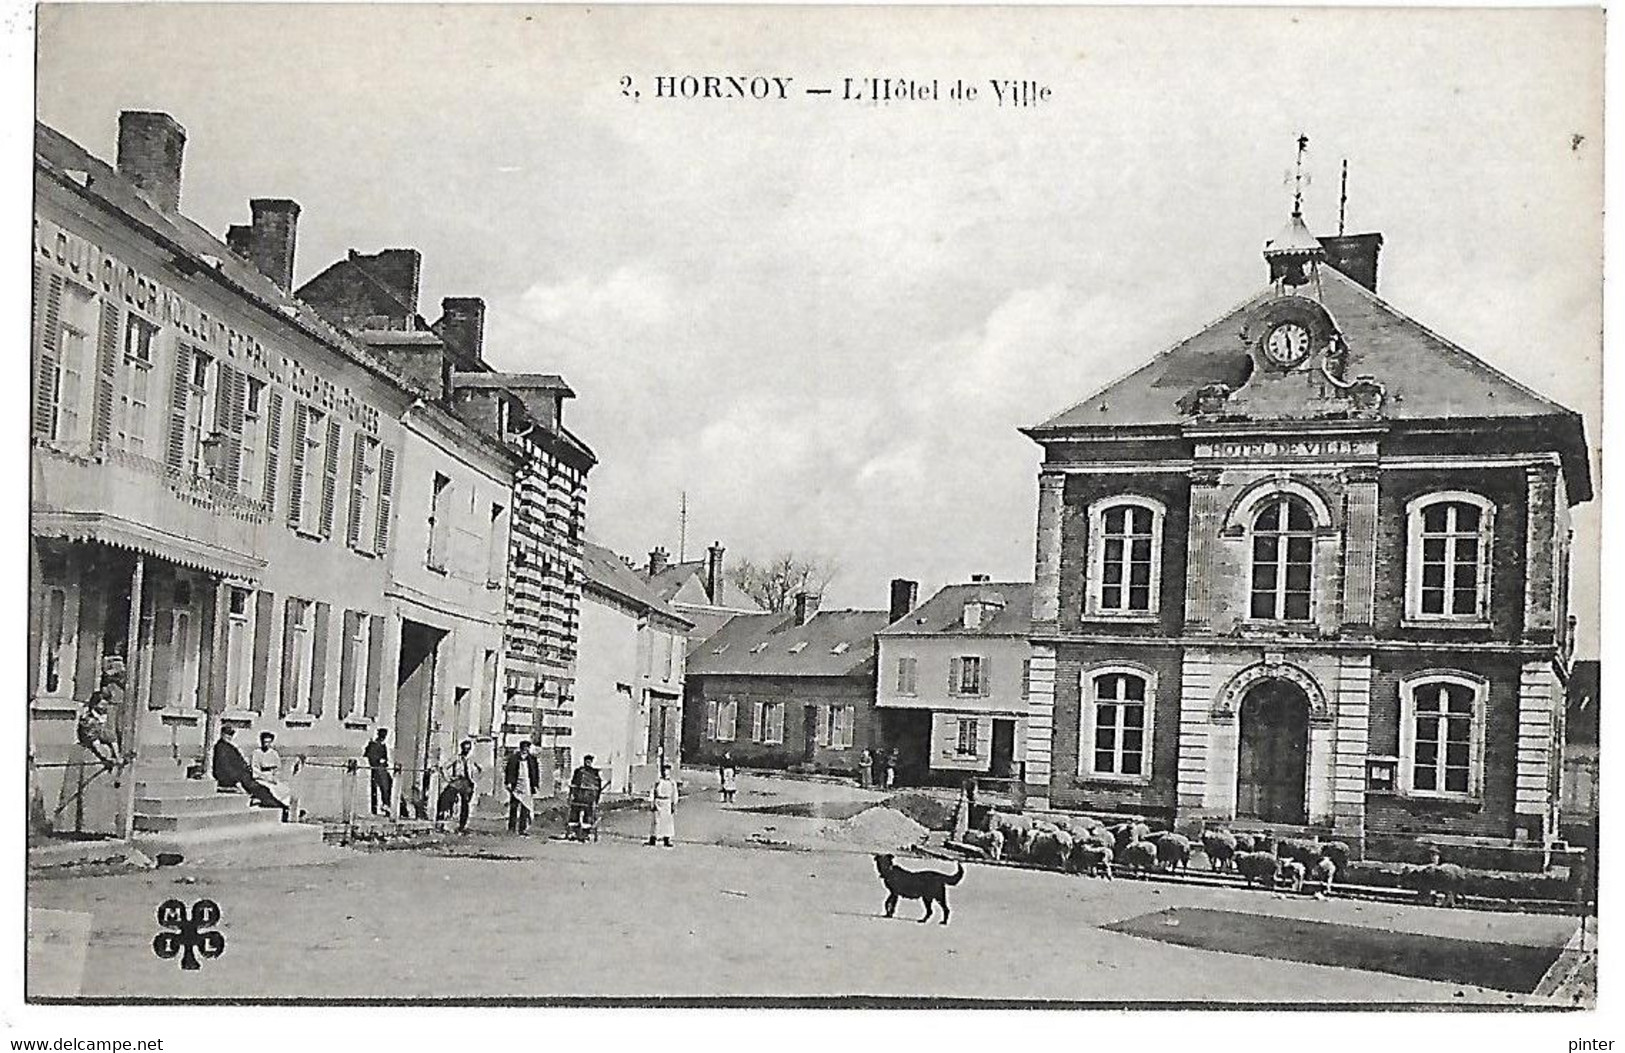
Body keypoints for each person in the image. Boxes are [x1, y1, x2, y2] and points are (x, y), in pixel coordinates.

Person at [210, 726, 284, 813]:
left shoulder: (230, 747)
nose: (229, 737)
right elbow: (225, 767)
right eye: (227, 735)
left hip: (243, 775)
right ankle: (277, 805)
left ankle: (278, 804)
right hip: (233, 778)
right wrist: (236, 782)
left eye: (231, 735)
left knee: (264, 788)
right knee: (259, 789)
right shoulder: (220, 748)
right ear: (222, 735)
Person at [251, 731, 295, 820]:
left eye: (269, 742)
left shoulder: (274, 753)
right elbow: (255, 768)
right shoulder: (257, 753)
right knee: (271, 789)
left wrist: (274, 776)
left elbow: (278, 768)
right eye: (265, 742)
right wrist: (264, 776)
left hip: (271, 776)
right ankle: (278, 806)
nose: (266, 744)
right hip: (261, 777)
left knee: (283, 790)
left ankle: (286, 808)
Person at [442, 739, 481, 833]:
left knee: (465, 803)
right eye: (464, 748)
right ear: (461, 748)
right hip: (458, 781)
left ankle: (462, 825)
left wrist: (474, 779)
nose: (466, 751)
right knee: (447, 797)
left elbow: (480, 769)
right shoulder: (457, 758)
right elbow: (444, 767)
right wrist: (449, 778)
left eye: (468, 749)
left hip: (468, 782)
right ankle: (446, 821)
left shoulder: (473, 759)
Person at [75, 692, 120, 772]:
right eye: (102, 705)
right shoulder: (88, 719)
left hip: (103, 743)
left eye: (106, 705)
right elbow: (95, 742)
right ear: (95, 705)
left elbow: (112, 738)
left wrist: (117, 756)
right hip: (91, 747)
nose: (104, 708)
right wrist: (106, 758)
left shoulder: (107, 717)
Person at [505, 740, 540, 835]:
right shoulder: (514, 758)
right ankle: (511, 828)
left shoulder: (532, 760)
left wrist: (535, 785)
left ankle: (522, 829)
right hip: (516, 785)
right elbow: (509, 771)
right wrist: (508, 782)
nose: (525, 750)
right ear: (521, 748)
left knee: (525, 807)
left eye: (527, 748)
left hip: (527, 785)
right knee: (514, 807)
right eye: (524, 748)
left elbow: (535, 773)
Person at [567, 754, 603, 841]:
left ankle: (586, 833)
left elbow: (598, 786)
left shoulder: (594, 773)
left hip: (589, 798)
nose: (588, 763)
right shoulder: (578, 771)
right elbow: (573, 783)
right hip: (578, 797)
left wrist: (596, 798)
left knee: (588, 815)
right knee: (574, 814)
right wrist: (571, 794)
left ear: (591, 762)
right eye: (586, 761)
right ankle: (573, 832)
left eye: (589, 761)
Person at [364, 728, 392, 817]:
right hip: (377, 769)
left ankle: (386, 806)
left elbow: (385, 758)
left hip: (382, 769)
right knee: (382, 787)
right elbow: (370, 757)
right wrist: (379, 761)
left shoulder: (382, 745)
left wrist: (384, 761)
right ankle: (379, 807)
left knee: (387, 787)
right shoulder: (373, 745)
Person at [648, 763, 677, 848]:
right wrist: (652, 803)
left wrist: (673, 804)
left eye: (667, 771)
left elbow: (674, 794)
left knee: (667, 822)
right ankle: (653, 839)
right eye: (664, 771)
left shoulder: (672, 782)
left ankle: (666, 839)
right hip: (658, 801)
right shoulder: (658, 782)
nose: (665, 773)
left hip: (667, 802)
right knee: (656, 821)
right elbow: (652, 792)